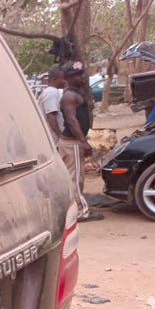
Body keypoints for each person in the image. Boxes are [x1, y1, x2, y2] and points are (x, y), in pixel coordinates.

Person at [59, 60, 102, 222]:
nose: (82, 78)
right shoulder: (69, 96)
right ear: (68, 78)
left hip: (71, 142)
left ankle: (72, 208)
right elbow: (71, 120)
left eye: (82, 74)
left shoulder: (75, 93)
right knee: (75, 179)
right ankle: (80, 211)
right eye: (77, 75)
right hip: (72, 143)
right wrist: (82, 141)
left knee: (73, 177)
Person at [39, 66, 66, 139]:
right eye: (64, 79)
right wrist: (60, 136)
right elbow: (51, 116)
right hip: (54, 139)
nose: (66, 82)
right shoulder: (51, 92)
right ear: (54, 79)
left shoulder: (54, 91)